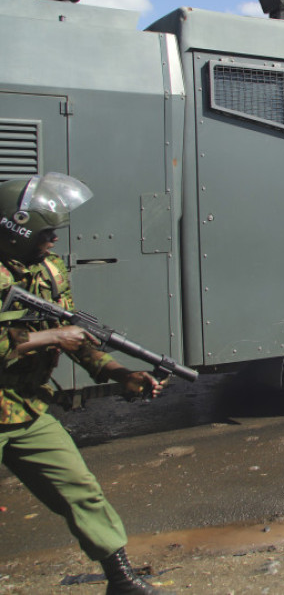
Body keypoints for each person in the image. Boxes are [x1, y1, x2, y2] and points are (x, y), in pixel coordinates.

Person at [0, 173, 171, 594]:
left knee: (81, 489)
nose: (54, 241)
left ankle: (122, 578)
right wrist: (51, 337)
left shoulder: (50, 272)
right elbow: (55, 335)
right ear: (17, 228)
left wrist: (120, 375)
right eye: (46, 232)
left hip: (24, 408)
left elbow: (76, 338)